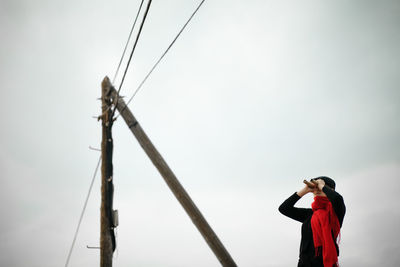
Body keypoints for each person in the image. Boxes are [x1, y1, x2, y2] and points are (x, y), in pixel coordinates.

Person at [278, 176, 346, 267]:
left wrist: (321, 186)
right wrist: (305, 190)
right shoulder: (310, 214)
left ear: (331, 190)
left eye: (320, 187)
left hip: (323, 263)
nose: (317, 190)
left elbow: (337, 199)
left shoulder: (335, 213)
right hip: (304, 263)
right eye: (315, 188)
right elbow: (284, 208)